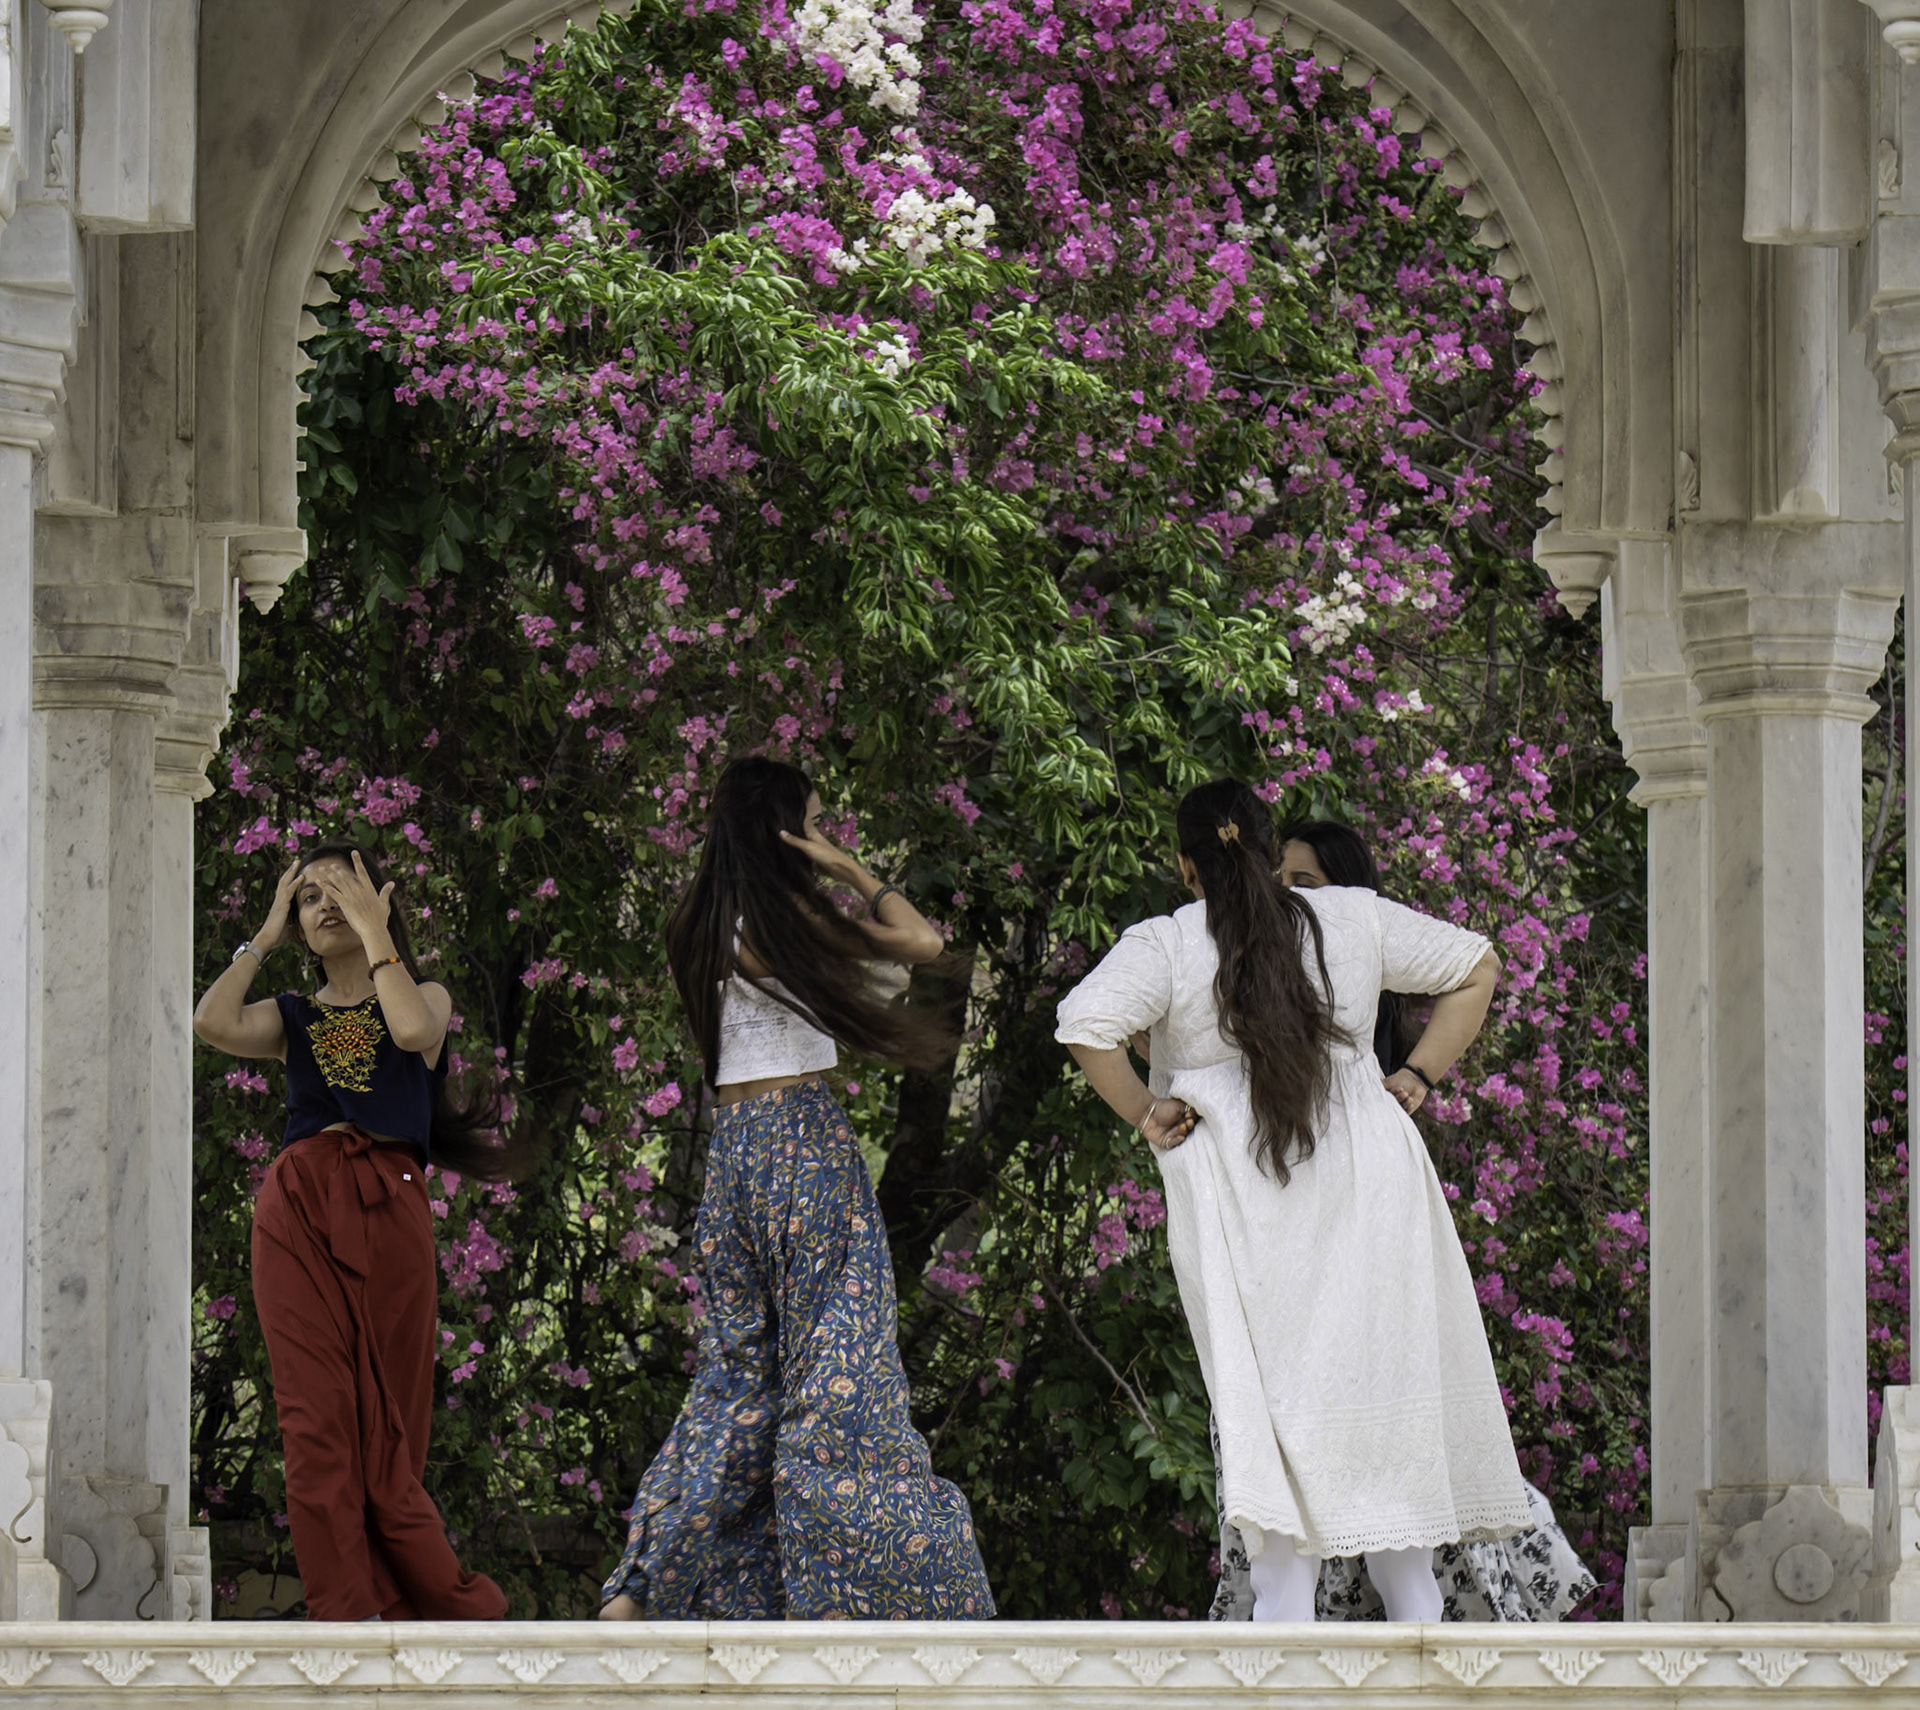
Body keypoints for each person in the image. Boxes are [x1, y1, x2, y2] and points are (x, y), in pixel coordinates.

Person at [1056, 779, 1532, 1622]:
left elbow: (1087, 1023)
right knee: (1380, 1379)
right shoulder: (1349, 918)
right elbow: (1478, 965)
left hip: (1245, 1199)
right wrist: (1416, 1075)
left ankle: (1283, 1611)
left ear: (1184, 865)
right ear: (1274, 858)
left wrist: (1144, 1110)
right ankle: (1413, 1604)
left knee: (1267, 1399)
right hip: (1368, 1179)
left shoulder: (1169, 942)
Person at [599, 756, 994, 1621]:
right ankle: (862, 1599)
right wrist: (848, 868)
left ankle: (645, 1584)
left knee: (738, 1382)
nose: (820, 839)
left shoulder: (699, 925)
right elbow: (922, 943)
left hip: (734, 1160)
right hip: (801, 1148)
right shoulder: (780, 921)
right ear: (787, 828)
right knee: (840, 1372)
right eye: (811, 823)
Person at [1203, 818, 1597, 1622]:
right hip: (1278, 1245)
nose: (1285, 900)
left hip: (1364, 1243)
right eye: (1276, 882)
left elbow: (1476, 967)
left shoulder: (1357, 987)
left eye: (1304, 884)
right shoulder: (1237, 975)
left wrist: (1417, 1073)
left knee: (1394, 1445)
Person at [193, 842, 539, 1622]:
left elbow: (415, 1033)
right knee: (315, 1418)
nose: (320, 906)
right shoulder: (292, 1016)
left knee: (390, 1425)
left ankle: (418, 1599)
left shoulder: (426, 995)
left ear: (375, 901)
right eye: (306, 896)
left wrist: (374, 930)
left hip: (389, 1204)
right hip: (299, 1204)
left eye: (335, 890)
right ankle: (341, 1614)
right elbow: (210, 1021)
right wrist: (266, 935)